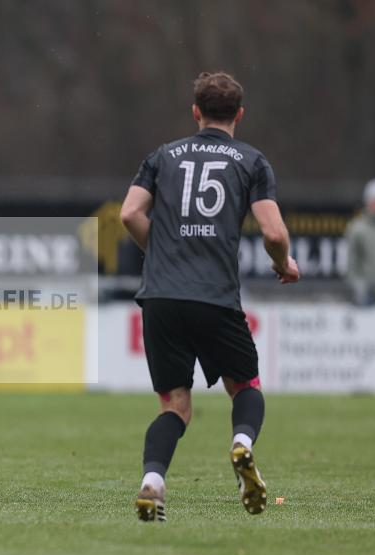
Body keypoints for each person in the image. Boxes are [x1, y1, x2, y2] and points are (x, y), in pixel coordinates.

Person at [120, 72, 300, 522]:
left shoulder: (163, 156)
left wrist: (160, 252)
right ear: (239, 114)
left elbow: (129, 213)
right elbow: (274, 231)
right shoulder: (251, 161)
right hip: (214, 296)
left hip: (160, 297)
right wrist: (283, 263)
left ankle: (152, 483)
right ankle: (241, 445)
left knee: (174, 406)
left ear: (195, 112)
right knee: (245, 386)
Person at [344, 179, 375, 305]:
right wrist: (358, 286)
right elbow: (352, 262)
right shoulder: (357, 229)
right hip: (368, 294)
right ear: (367, 202)